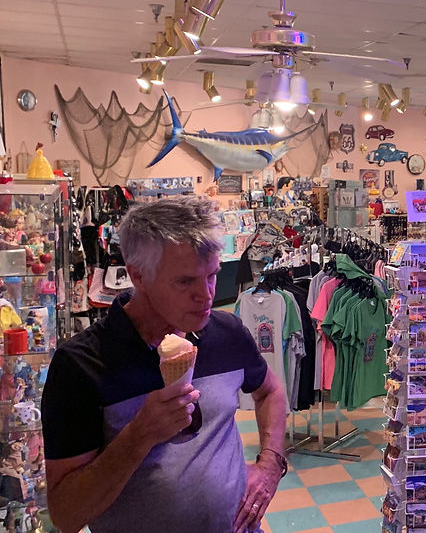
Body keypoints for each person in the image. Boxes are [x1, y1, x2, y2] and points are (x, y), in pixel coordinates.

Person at [41, 197, 288, 533]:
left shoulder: (226, 332)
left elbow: (270, 391)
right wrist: (139, 436)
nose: (206, 295)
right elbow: (66, 515)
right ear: (138, 276)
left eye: (212, 275)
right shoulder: (81, 365)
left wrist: (270, 464)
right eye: (185, 281)